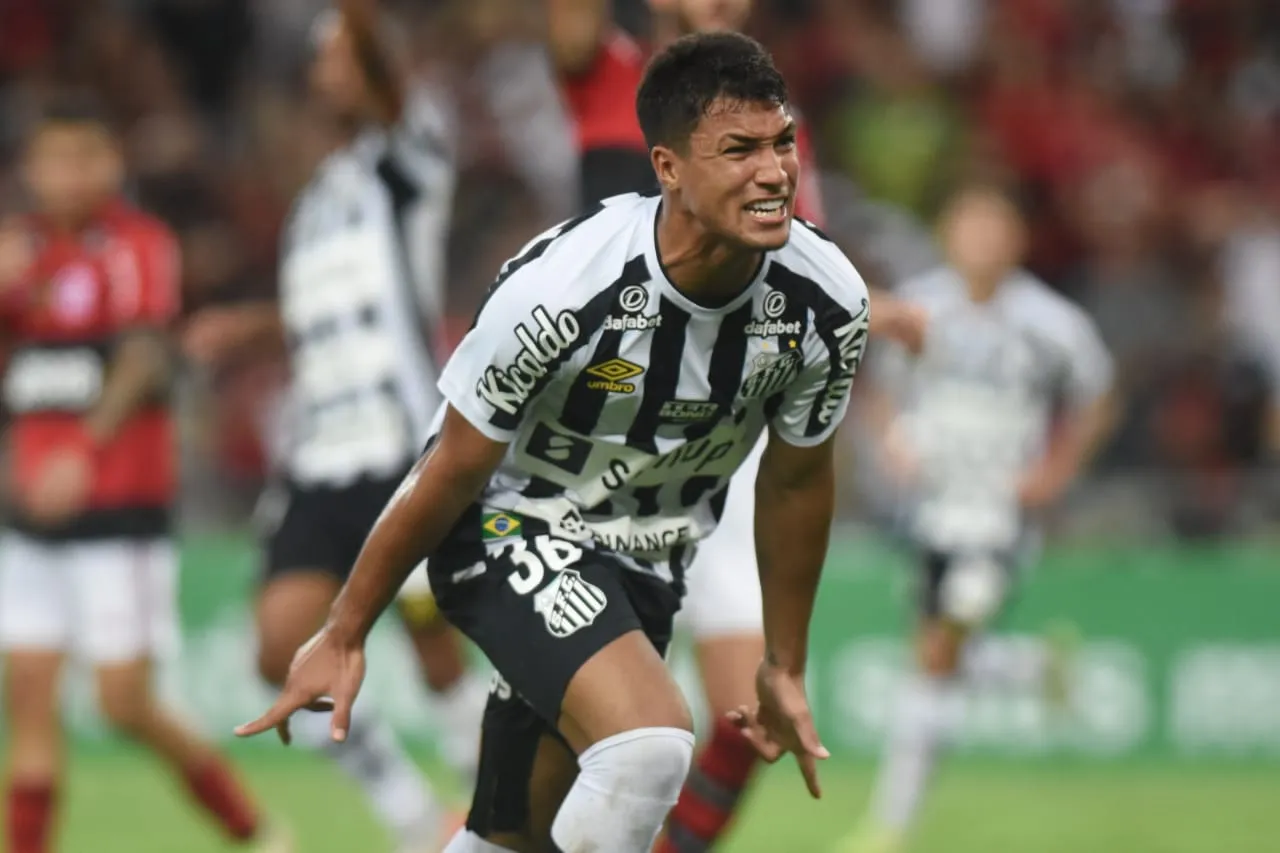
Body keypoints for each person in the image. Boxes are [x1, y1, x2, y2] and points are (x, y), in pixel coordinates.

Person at [238, 31, 871, 853]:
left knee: (513, 838)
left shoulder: (827, 302)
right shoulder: (565, 287)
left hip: (647, 563)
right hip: (510, 524)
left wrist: (784, 661)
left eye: (782, 142)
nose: (775, 171)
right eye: (739, 150)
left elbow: (795, 481)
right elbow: (452, 465)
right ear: (669, 167)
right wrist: (347, 628)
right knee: (647, 745)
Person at [547, 2, 926, 848]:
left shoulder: (769, 121)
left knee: (747, 715)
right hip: (600, 433)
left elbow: (798, 256)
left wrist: (874, 305)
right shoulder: (606, 71)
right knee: (584, 731)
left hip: (720, 432)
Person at [183, 3, 490, 848]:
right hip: (319, 457)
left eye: (340, 59)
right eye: (320, 62)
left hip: (400, 448)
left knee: (434, 643)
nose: (326, 75)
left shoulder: (405, 160)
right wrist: (247, 330)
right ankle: (412, 819)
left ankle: (489, 813)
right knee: (280, 647)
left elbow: (387, 92)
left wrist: (359, 30)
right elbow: (318, 316)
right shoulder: (311, 205)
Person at [0, 100, 287, 853]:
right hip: (31, 516)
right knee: (28, 699)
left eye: (82, 158)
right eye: (51, 160)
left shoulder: (135, 245)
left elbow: (147, 353)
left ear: (110, 164)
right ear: (30, 169)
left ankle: (255, 830)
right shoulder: (19, 252)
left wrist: (82, 450)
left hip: (116, 509)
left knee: (122, 701)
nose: (66, 175)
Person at [836, 183, 1118, 853]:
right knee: (938, 656)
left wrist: (1055, 471)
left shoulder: (1051, 322)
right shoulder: (921, 306)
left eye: (995, 228)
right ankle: (1032, 669)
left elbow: (1100, 397)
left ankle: (890, 825)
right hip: (931, 509)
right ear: (948, 234)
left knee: (937, 653)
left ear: (1017, 240)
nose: (981, 242)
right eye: (970, 227)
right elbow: (873, 383)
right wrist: (890, 441)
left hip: (998, 513)